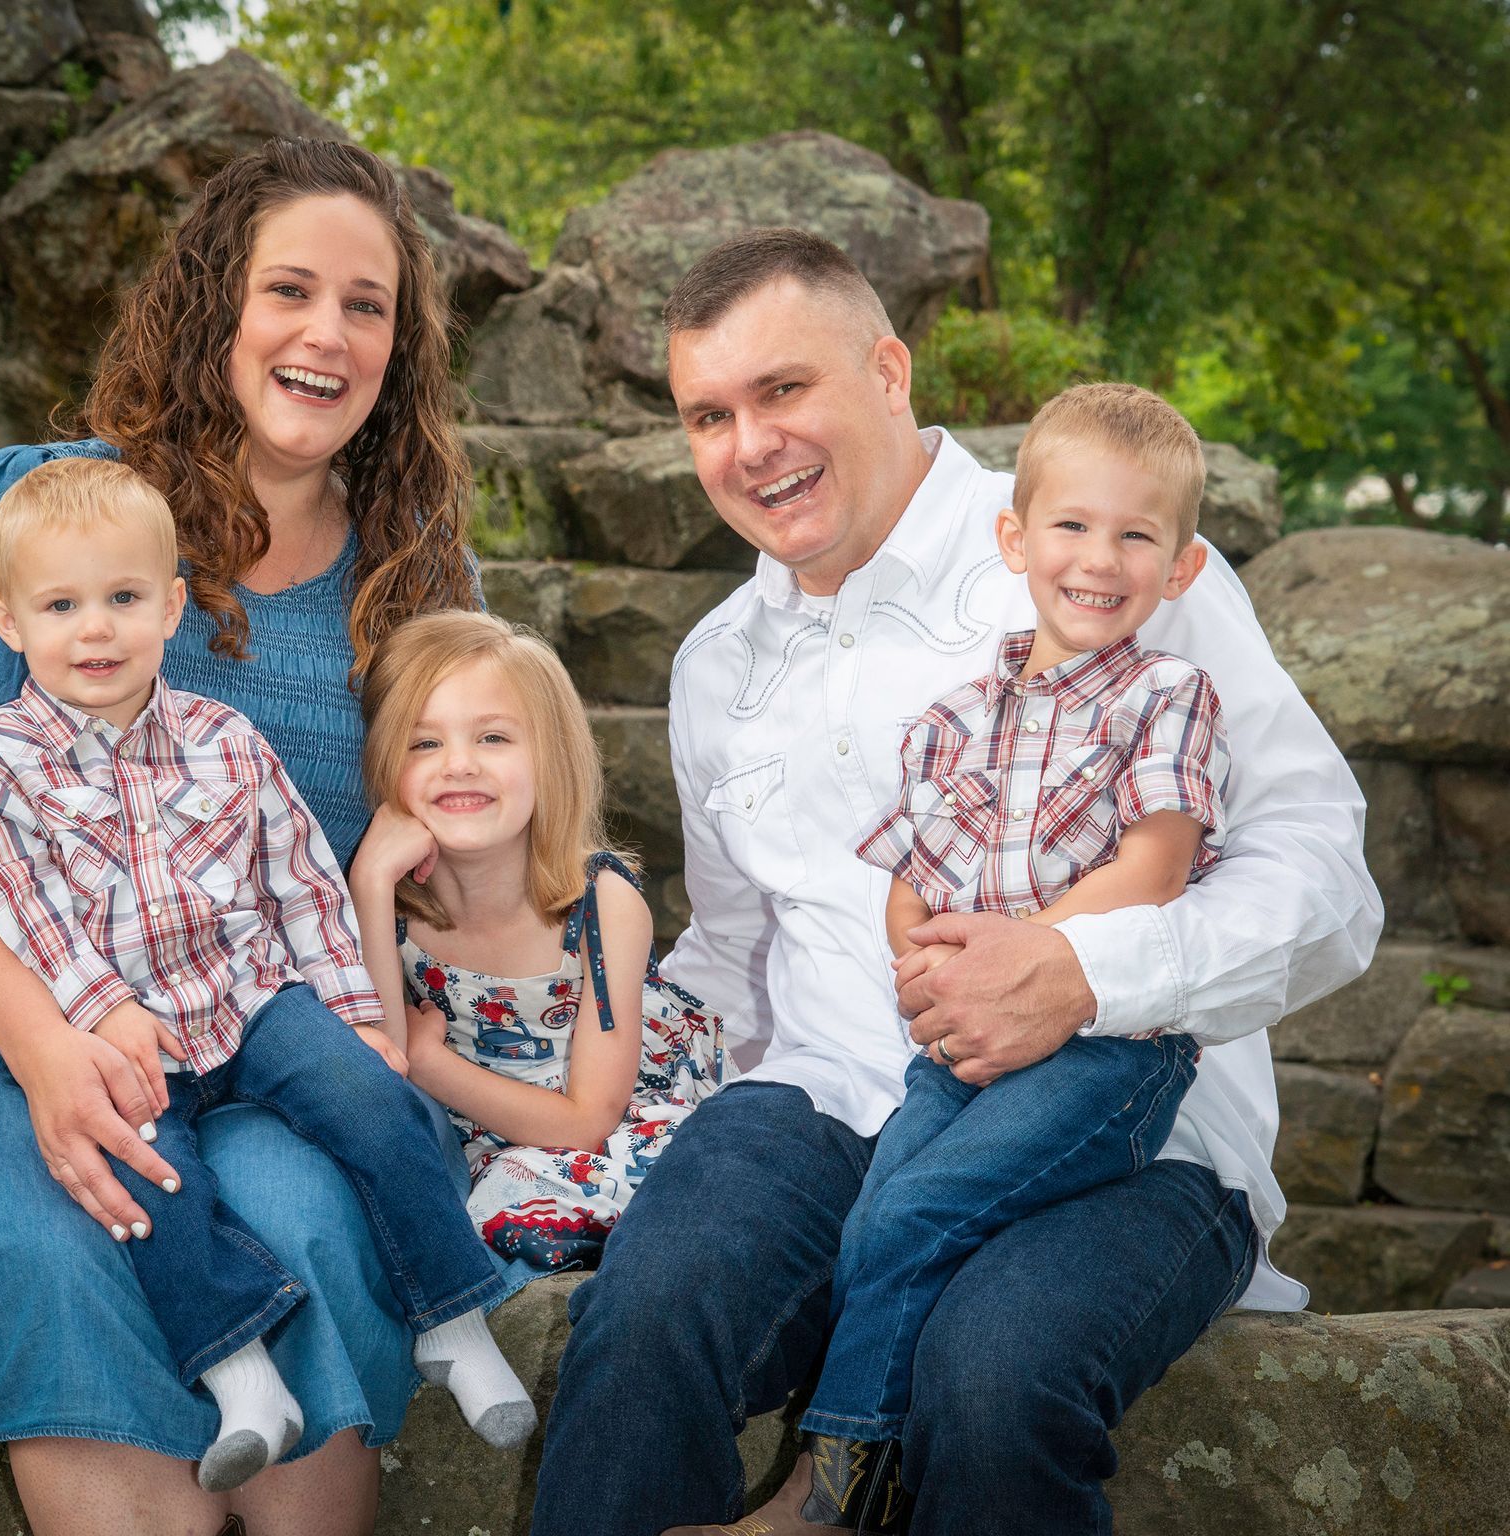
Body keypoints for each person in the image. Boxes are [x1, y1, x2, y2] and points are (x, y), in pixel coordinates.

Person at [527, 228, 1381, 1536]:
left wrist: (1089, 975)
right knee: (647, 1318)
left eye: (782, 391)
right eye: (709, 413)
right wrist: (544, 1089)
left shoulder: (1087, 557)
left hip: (1126, 1131)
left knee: (991, 1372)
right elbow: (735, 961)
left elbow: (1325, 873)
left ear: (887, 369)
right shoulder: (717, 668)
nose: (749, 443)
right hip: (821, 1103)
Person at [0, 138, 495, 1536]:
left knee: (319, 1230)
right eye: (290, 289)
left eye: (367, 304)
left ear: (402, 345)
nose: (326, 334)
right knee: (75, 1248)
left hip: (245, 1047)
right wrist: (49, 1052)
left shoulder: (415, 580)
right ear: (217, 304)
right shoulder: (37, 509)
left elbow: (474, 821)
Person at [0, 457, 534, 1486]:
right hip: (124, 1030)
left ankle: (452, 1317)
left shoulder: (228, 740)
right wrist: (103, 1011)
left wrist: (354, 1014)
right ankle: (239, 1369)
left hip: (254, 1000)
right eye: (62, 605)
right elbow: (20, 912)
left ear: (172, 606)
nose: (97, 630)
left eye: (125, 599)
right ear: (8, 622)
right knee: (143, 1181)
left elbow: (305, 882)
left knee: (377, 1100)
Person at [790, 382, 1230, 1530]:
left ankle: (823, 1492)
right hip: (959, 1050)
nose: (1101, 558)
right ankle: (878, 1479)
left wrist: (1018, 959)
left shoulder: (1168, 697)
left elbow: (1156, 867)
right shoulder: (954, 716)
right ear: (1015, 538)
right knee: (880, 1217)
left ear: (1180, 568)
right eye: (1074, 526)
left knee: (916, 1212)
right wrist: (932, 974)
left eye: (1138, 535)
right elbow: (909, 880)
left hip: (1104, 1050)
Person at [348, 610, 722, 1269]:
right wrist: (372, 881)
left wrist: (436, 1067)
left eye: (492, 737)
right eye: (423, 743)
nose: (458, 765)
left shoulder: (600, 905)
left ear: (549, 757)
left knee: (683, 1193)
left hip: (618, 1114)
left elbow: (586, 1120)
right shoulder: (392, 906)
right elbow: (382, 1058)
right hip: (489, 1137)